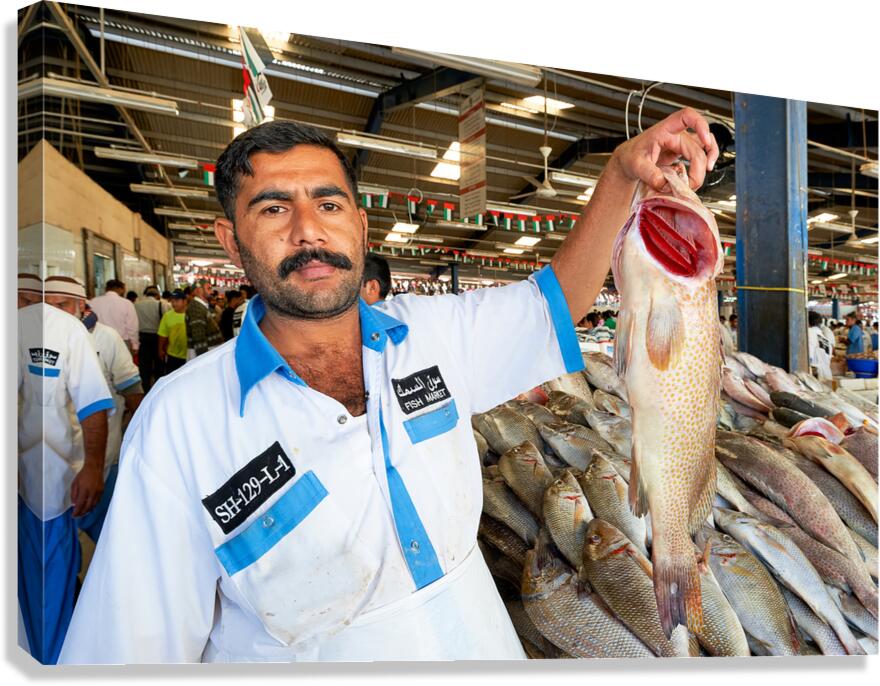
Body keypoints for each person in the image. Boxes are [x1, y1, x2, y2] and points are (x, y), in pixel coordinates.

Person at [60, 108, 720, 663]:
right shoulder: (182, 422)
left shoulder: (434, 334)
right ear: (230, 243)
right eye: (273, 209)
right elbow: (128, 651)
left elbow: (555, 303)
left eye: (328, 203)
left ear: (361, 225)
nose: (307, 230)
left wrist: (618, 175)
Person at [18, 275, 113, 664]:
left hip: (48, 486)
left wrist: (92, 467)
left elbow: (93, 404)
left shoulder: (67, 333)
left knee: (45, 588)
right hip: (34, 485)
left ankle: (50, 662)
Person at [43, 276, 145, 541]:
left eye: (62, 305)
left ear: (80, 304)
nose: (54, 313)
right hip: (52, 466)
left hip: (101, 462)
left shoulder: (106, 338)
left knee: (110, 538)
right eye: (47, 305)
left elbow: (132, 391)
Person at [88, 279, 139, 354]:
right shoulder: (127, 303)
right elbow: (132, 327)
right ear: (120, 289)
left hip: (98, 342)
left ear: (106, 289)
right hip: (122, 342)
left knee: (101, 365)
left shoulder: (93, 302)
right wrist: (135, 345)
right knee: (122, 365)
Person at [134, 285, 169, 391]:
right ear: (157, 295)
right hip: (157, 337)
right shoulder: (160, 305)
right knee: (159, 363)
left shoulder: (136, 305)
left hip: (142, 337)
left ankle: (145, 387)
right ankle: (158, 388)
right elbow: (166, 322)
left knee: (144, 365)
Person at [185, 278, 224, 359]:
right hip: (203, 356)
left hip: (208, 354)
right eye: (208, 288)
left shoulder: (202, 306)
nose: (212, 292)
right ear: (198, 290)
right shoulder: (196, 308)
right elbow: (199, 340)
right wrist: (203, 360)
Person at [157, 290, 189, 373]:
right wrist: (160, 349)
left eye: (177, 301)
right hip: (173, 355)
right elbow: (163, 334)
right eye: (172, 301)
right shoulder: (167, 316)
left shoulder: (191, 314)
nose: (174, 304)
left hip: (190, 354)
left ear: (185, 301)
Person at [807, 310, 833, 380]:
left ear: (807, 322)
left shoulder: (808, 333)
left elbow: (808, 357)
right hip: (827, 375)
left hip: (815, 376)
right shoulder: (824, 338)